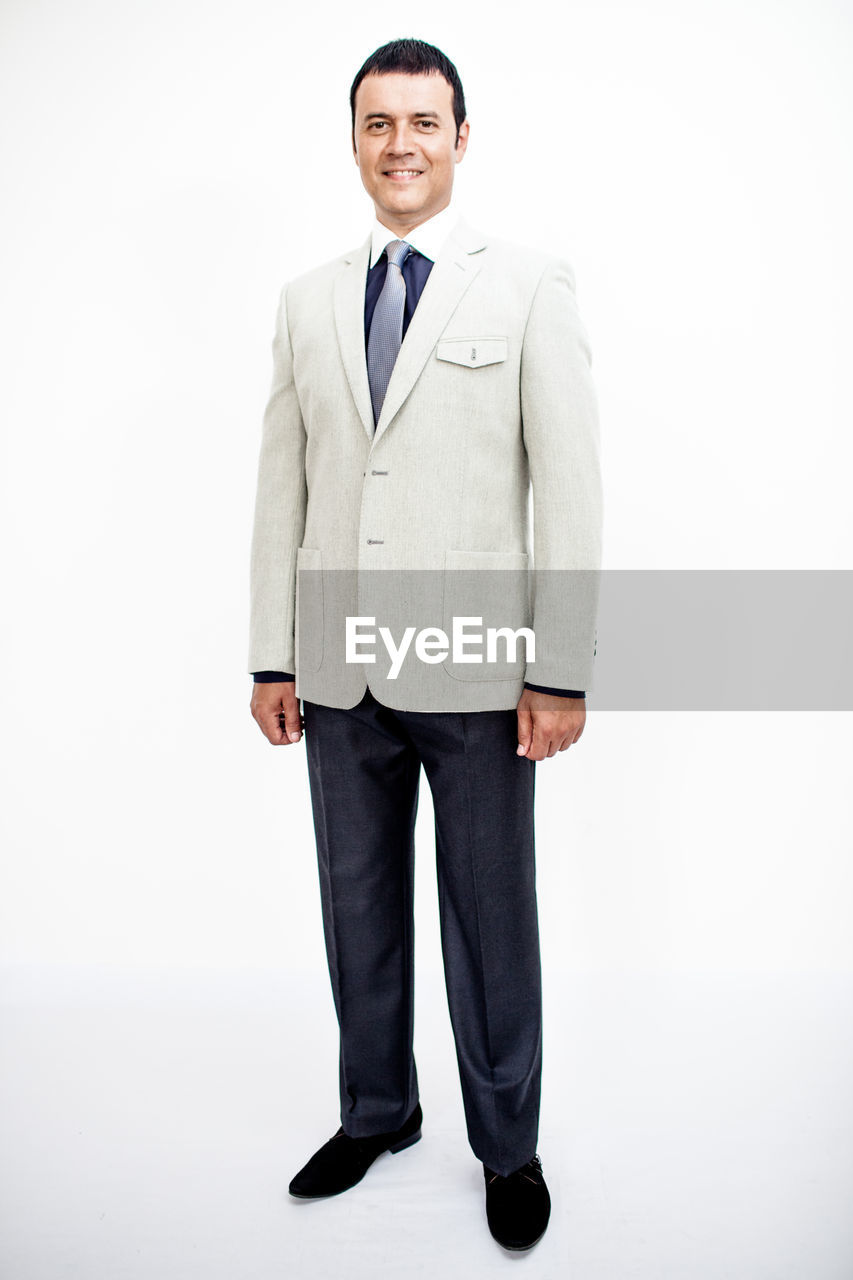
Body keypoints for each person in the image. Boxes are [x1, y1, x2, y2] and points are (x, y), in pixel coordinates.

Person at [248, 37, 603, 1252]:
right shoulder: (304, 302)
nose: (399, 143)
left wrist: (559, 666)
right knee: (357, 908)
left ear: (461, 137)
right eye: (377, 122)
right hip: (336, 667)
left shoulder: (528, 285)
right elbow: (280, 489)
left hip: (475, 665)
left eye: (422, 121)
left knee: (489, 912)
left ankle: (508, 1144)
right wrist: (269, 655)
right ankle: (377, 1109)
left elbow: (571, 486)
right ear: (353, 138)